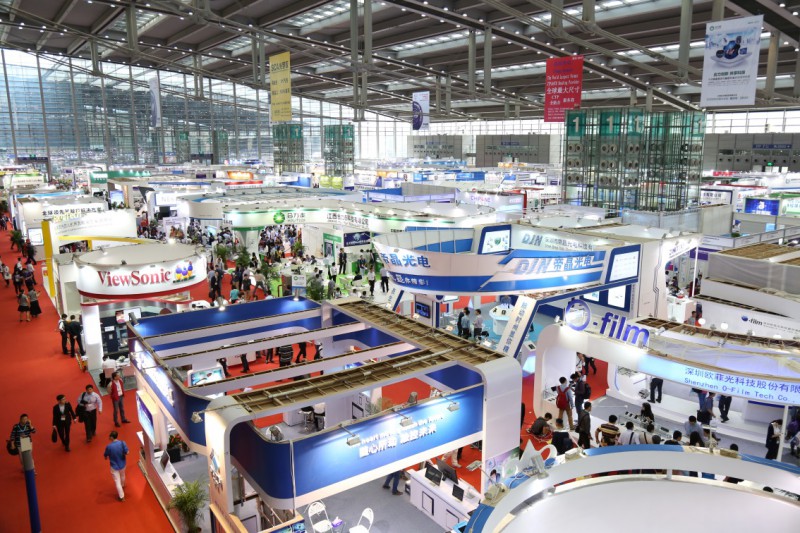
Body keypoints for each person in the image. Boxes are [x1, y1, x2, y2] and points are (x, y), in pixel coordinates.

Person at [104, 431, 129, 502]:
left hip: (114, 466)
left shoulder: (109, 446)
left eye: (109, 436)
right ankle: (122, 485)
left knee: (117, 481)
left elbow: (106, 455)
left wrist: (106, 457)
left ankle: (121, 496)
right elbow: (127, 452)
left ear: (112, 437)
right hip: (123, 464)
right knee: (123, 475)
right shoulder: (122, 443)